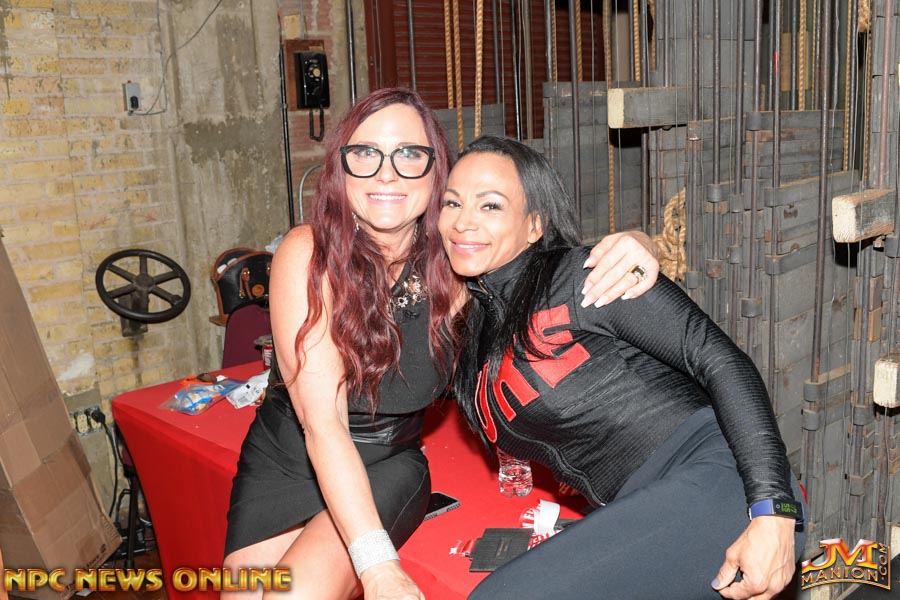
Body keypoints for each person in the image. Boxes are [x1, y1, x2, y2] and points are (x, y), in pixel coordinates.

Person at [223, 88, 660, 600]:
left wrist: (639, 243)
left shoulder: (457, 266)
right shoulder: (308, 252)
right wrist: (378, 568)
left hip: (386, 464)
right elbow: (323, 426)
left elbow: (554, 265)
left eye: (409, 154)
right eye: (366, 153)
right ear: (341, 168)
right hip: (288, 456)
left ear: (437, 172)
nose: (386, 174)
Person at [438, 135, 807, 600]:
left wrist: (773, 511)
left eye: (490, 205)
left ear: (534, 225)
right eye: (452, 203)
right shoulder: (480, 324)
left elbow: (721, 361)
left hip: (729, 483)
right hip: (644, 504)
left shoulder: (586, 276)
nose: (463, 221)